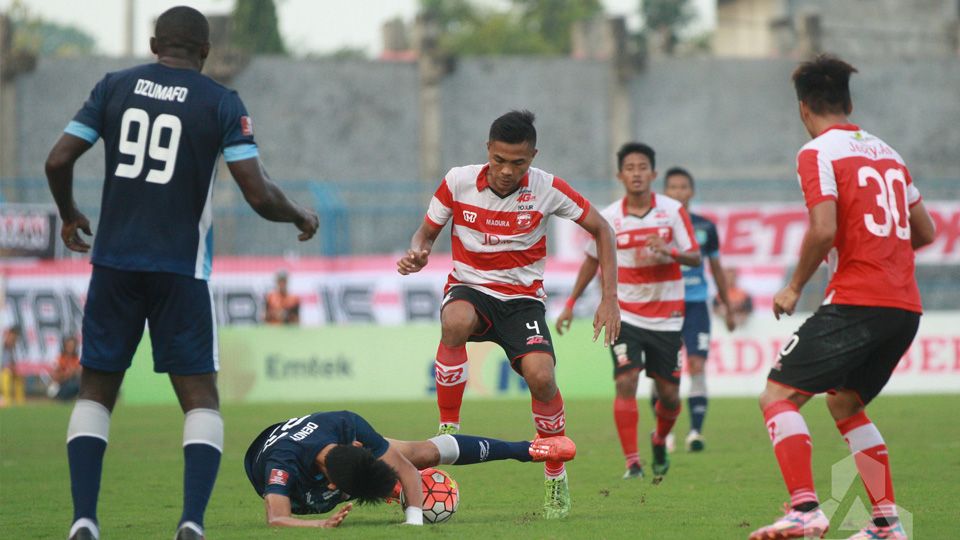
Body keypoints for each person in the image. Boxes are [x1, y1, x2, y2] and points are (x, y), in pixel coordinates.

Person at [44, 7, 319, 540]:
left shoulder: (113, 88)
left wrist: (69, 213)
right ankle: (191, 522)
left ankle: (83, 520)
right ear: (206, 51)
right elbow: (258, 194)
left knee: (95, 391)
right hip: (180, 271)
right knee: (200, 398)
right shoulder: (220, 102)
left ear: (153, 44)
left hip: (114, 265)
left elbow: (58, 160)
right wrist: (300, 214)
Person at [396, 110, 620, 519]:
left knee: (542, 376)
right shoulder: (458, 181)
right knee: (456, 321)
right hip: (471, 288)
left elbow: (603, 228)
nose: (506, 171)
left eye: (518, 163)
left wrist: (610, 298)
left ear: (532, 156)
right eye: (499, 160)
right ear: (488, 151)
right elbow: (424, 233)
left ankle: (555, 473)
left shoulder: (548, 188)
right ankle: (448, 427)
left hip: (522, 302)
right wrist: (419, 251)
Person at [747, 55, 935, 540]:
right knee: (845, 405)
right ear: (848, 103)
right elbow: (925, 230)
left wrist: (793, 286)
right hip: (904, 306)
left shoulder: (817, 152)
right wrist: (883, 251)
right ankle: (887, 525)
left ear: (804, 109)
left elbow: (823, 228)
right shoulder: (889, 153)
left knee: (777, 395)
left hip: (857, 299)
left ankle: (805, 509)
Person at [556, 143, 700, 483]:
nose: (636, 173)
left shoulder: (672, 211)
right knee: (626, 380)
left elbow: (695, 256)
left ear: (653, 174)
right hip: (627, 313)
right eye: (630, 168)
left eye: (642, 167)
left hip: (668, 316)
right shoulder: (609, 218)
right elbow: (592, 260)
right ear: (621, 175)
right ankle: (633, 462)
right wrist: (571, 304)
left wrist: (670, 251)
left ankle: (660, 439)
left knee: (669, 396)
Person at [244, 410, 577, 527]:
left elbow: (404, 465)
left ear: (356, 447)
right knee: (382, 478)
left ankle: (529, 449)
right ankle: (387, 491)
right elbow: (277, 518)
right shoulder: (282, 467)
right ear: (330, 482)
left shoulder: (348, 424)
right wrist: (320, 526)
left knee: (422, 454)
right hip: (282, 458)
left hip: (324, 439)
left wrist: (413, 521)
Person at [661, 166, 736, 452]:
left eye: (683, 187)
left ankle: (694, 431)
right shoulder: (659, 227)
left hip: (696, 307)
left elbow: (716, 269)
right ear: (665, 192)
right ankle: (665, 432)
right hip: (665, 305)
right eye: (673, 187)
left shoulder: (705, 227)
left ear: (691, 192)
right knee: (665, 371)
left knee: (697, 365)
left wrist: (728, 307)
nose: (678, 192)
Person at [48, 335, 82, 401]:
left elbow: (78, 373)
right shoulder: (60, 358)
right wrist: (67, 374)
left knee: (76, 384)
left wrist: (75, 372)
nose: (70, 348)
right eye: (69, 346)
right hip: (60, 385)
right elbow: (55, 377)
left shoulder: (76, 359)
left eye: (72, 346)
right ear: (65, 346)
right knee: (52, 389)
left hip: (71, 384)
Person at [0, 325, 25, 407]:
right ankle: (6, 400)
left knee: (19, 376)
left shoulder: (12, 348)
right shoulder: (2, 344)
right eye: (13, 336)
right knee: (6, 375)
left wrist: (14, 368)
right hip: (3, 371)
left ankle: (20, 402)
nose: (14, 339)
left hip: (7, 370)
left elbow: (12, 362)